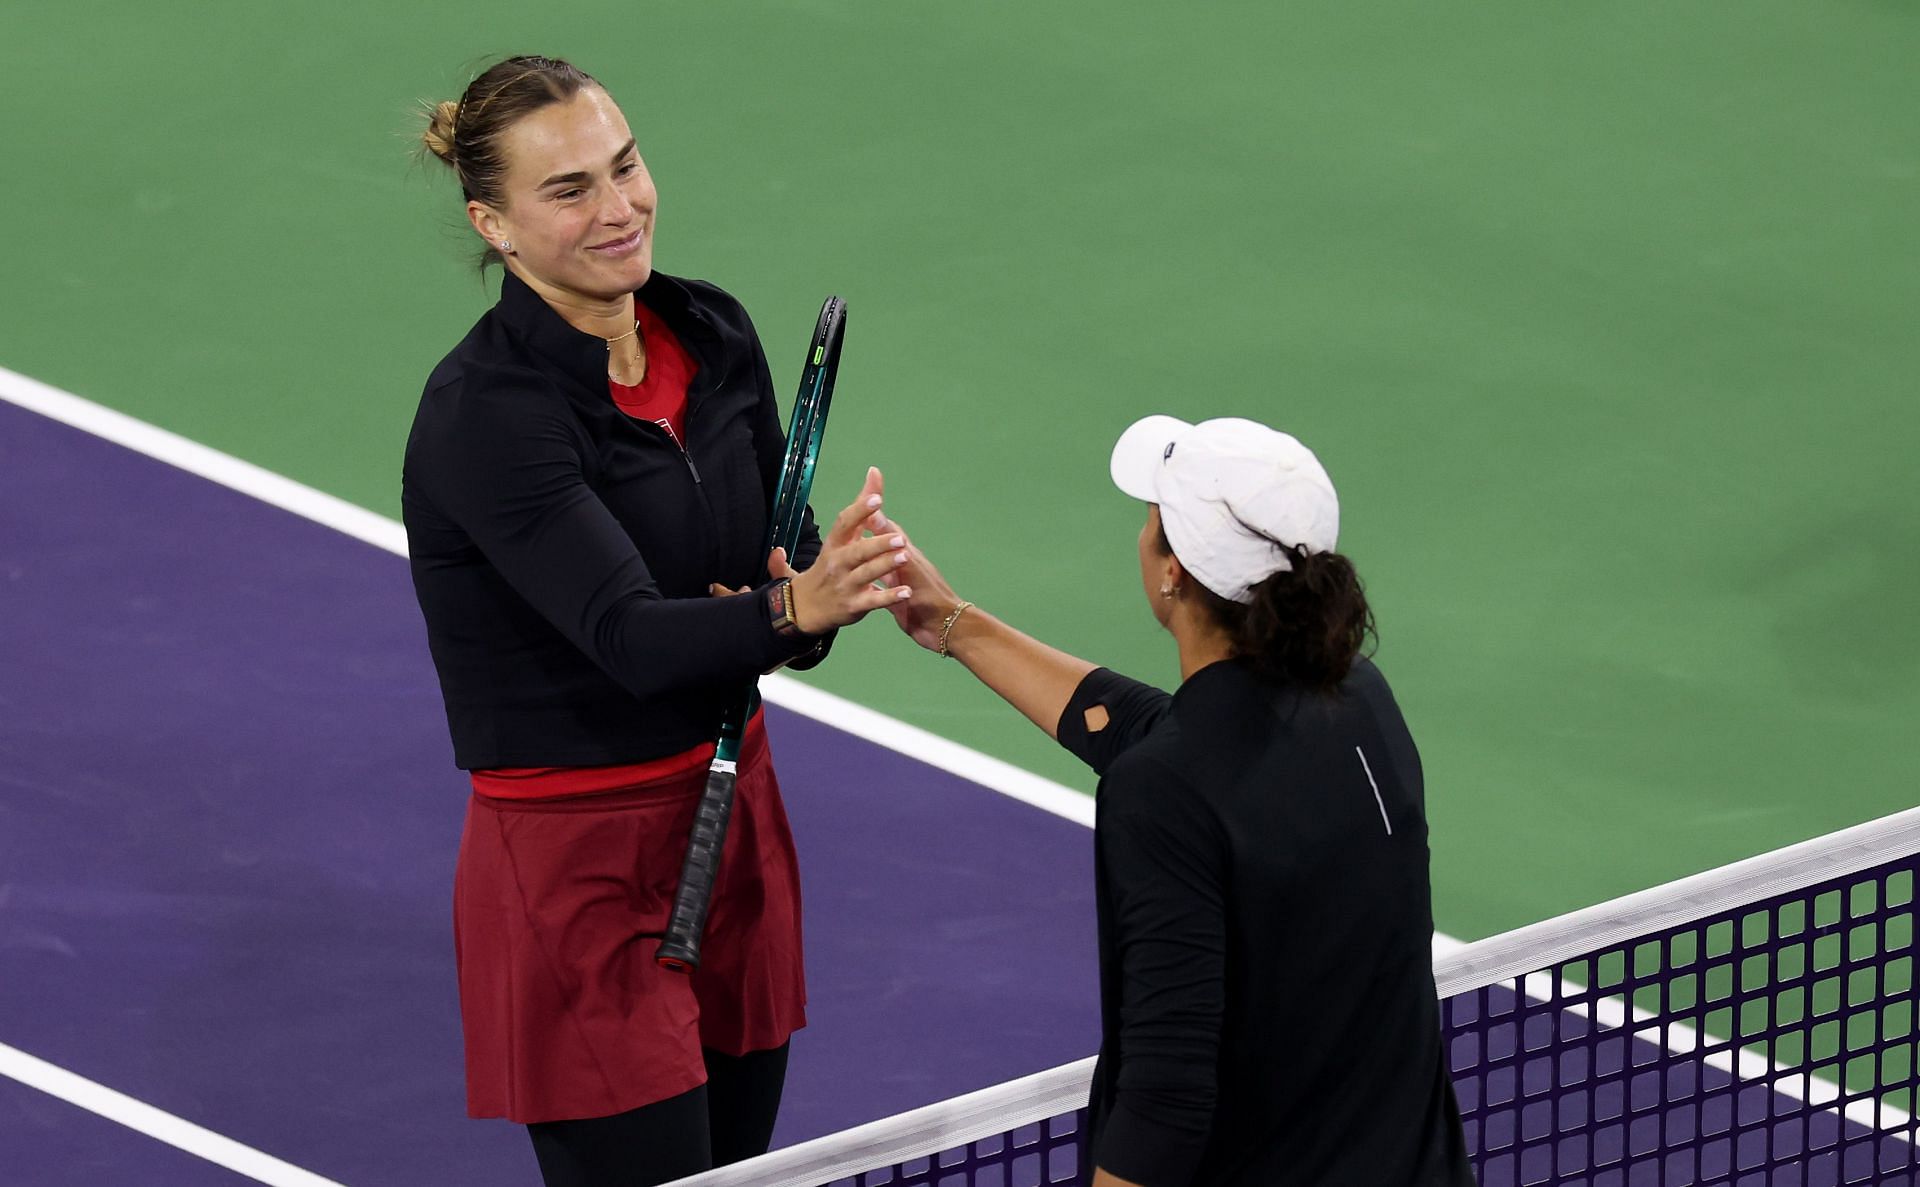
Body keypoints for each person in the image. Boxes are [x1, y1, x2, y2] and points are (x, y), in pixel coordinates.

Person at [403, 55, 912, 1187]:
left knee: (740, 1173)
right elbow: (633, 637)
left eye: (625, 166)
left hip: (733, 814)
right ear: (495, 223)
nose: (619, 205)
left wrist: (822, 589)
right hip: (576, 856)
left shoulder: (714, 335)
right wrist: (790, 607)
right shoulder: (486, 417)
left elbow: (774, 593)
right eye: (569, 189)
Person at [882, 416, 1476, 1186]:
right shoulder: (1356, 694)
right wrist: (956, 624)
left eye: (1152, 521)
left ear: (1174, 574)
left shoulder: (1165, 792)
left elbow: (1164, 1102)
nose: (1142, 535)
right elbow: (1163, 732)